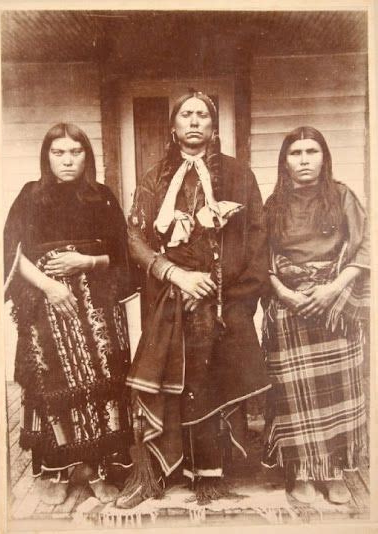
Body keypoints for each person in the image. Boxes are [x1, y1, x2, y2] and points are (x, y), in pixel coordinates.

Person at [117, 91, 270, 508]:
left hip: (222, 303)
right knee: (166, 382)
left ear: (214, 127)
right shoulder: (154, 178)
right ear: (173, 127)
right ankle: (156, 475)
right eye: (186, 114)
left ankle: (211, 475)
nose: (195, 121)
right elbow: (134, 240)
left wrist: (231, 296)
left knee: (212, 380)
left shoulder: (240, 175)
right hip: (169, 299)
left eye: (203, 115)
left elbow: (257, 237)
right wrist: (176, 275)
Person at [4, 123, 135, 505]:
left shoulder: (103, 197)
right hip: (46, 306)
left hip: (97, 307)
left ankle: (96, 470)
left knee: (102, 383)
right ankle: (58, 471)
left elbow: (122, 255)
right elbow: (13, 254)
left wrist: (87, 260)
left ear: (86, 156)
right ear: (46, 156)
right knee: (51, 385)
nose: (67, 160)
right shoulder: (30, 196)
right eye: (58, 152)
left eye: (74, 152)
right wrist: (49, 286)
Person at [262, 126, 369, 505]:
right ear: (285, 160)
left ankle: (336, 469)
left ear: (324, 157)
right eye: (295, 153)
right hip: (288, 307)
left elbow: (366, 247)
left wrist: (333, 288)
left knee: (339, 392)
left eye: (312, 151)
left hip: (334, 306)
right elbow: (262, 261)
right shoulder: (272, 205)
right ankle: (302, 471)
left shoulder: (342, 197)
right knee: (293, 395)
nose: (304, 160)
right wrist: (285, 294)